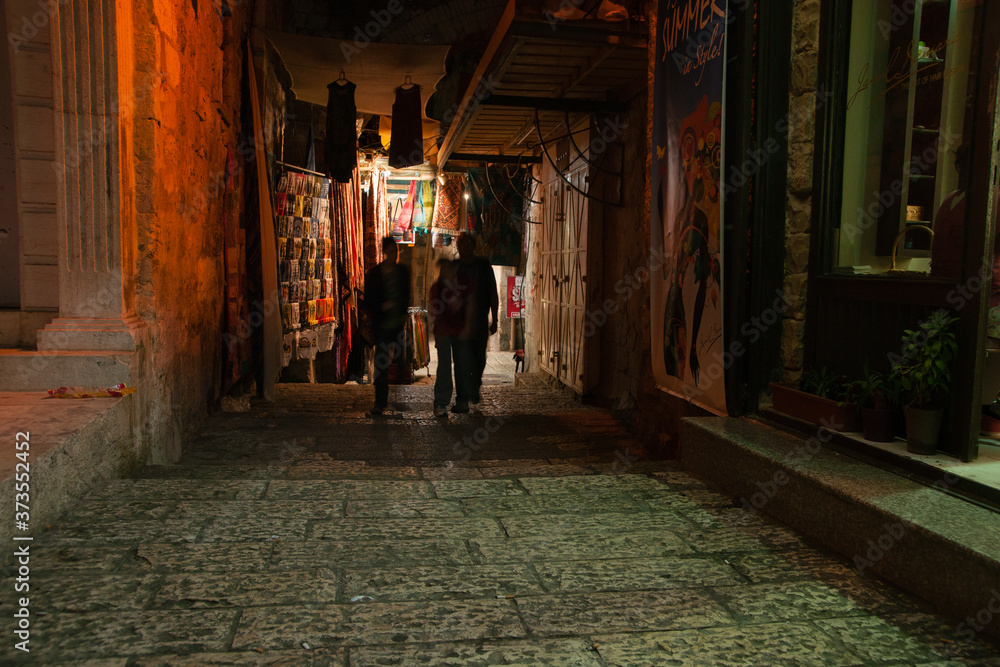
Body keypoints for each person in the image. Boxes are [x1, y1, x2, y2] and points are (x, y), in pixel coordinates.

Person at [361, 237, 411, 415]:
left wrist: (403, 313)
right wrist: (381, 306)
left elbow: (406, 295)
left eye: (395, 251)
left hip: (398, 324)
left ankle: (397, 396)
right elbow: (367, 300)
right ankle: (380, 402)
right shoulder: (374, 274)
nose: (393, 255)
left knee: (400, 361)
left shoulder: (403, 272)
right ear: (385, 252)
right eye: (390, 251)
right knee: (381, 362)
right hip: (382, 325)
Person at [456, 232, 498, 404]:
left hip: (479, 320)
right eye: (461, 244)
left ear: (473, 246)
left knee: (479, 357)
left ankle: (475, 383)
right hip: (459, 322)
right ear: (458, 247)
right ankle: (462, 398)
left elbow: (492, 293)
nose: (464, 248)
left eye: (468, 244)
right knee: (460, 361)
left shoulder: (483, 265)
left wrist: (495, 319)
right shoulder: (455, 267)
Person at [429, 259, 475, 416]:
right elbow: (433, 308)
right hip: (443, 331)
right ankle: (441, 402)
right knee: (444, 366)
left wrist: (467, 327)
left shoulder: (463, 284)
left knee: (461, 365)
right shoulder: (438, 287)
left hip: (459, 331)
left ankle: (462, 400)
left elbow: (470, 304)